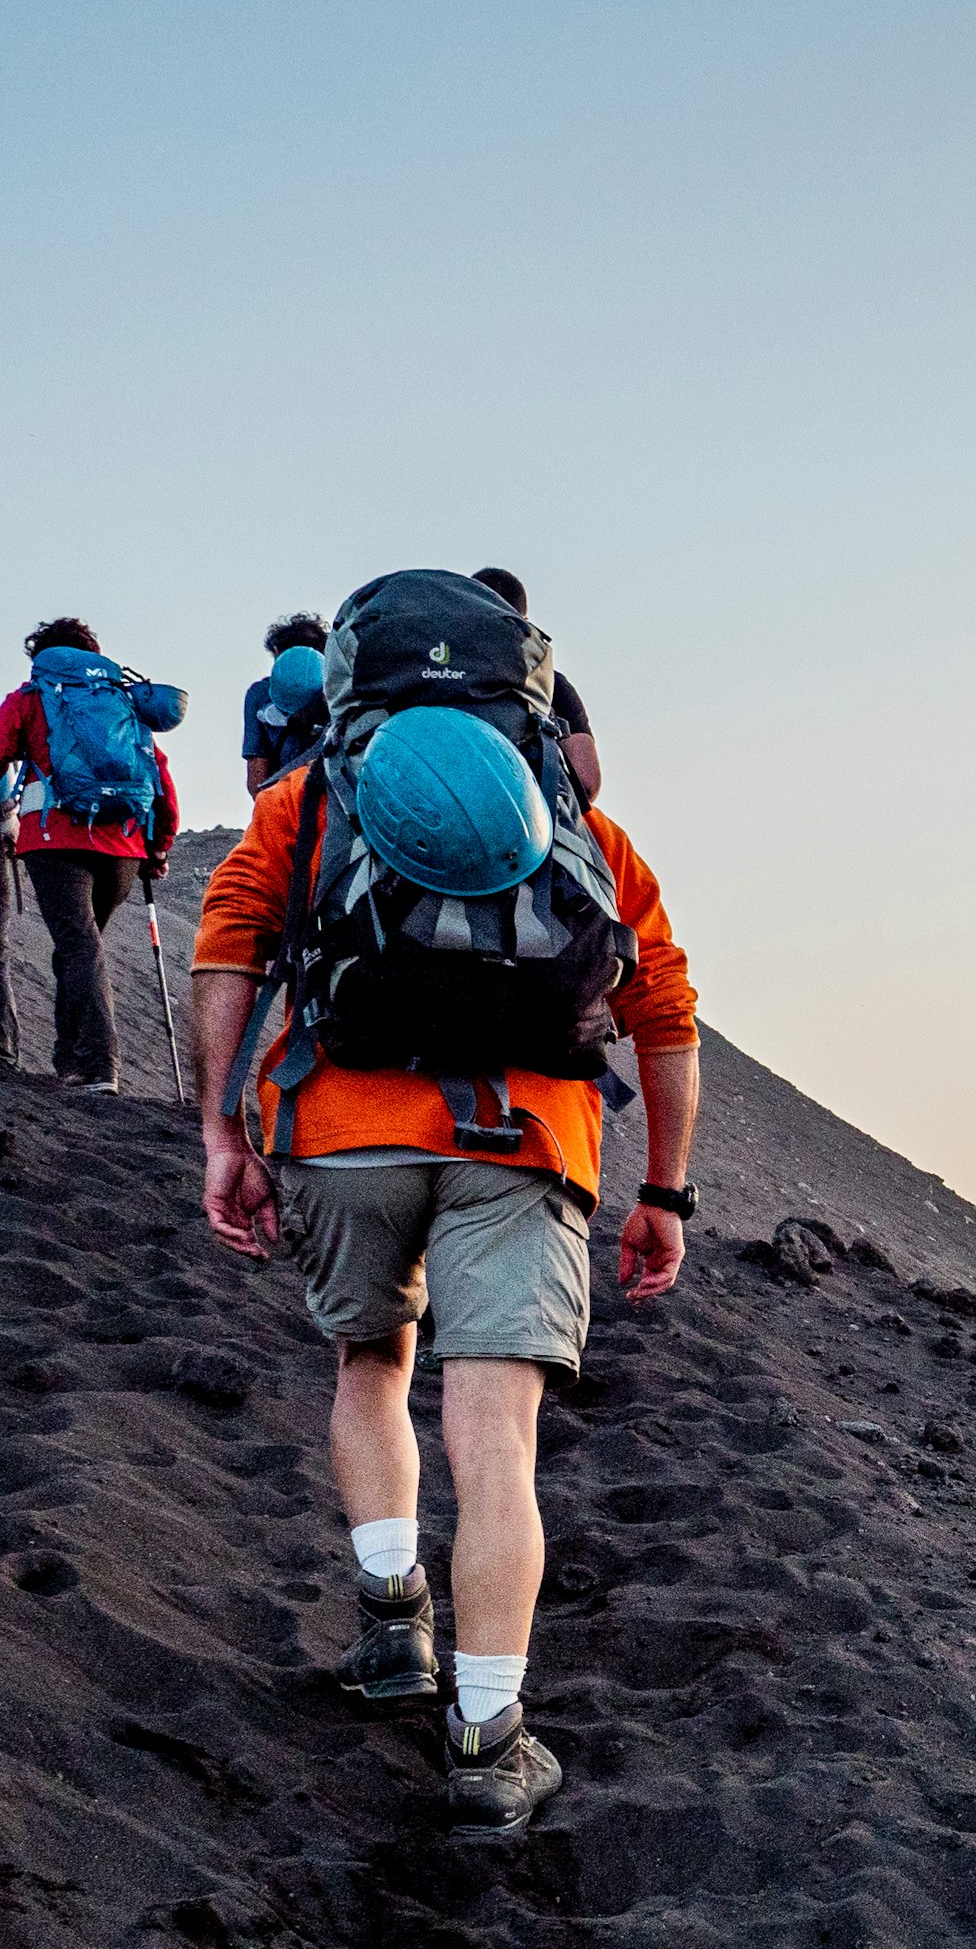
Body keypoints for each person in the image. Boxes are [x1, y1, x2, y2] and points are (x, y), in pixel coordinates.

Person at [189, 568, 700, 1833]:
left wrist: (221, 1133)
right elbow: (666, 1013)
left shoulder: (311, 799)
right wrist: (667, 1192)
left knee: (371, 1361)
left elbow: (230, 951)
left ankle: (392, 1625)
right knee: (499, 1444)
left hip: (342, 1129)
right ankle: (489, 1738)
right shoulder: (576, 824)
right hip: (529, 1146)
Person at [0, 617, 184, 1090]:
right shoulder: (123, 701)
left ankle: (97, 1066)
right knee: (80, 947)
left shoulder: (31, 698)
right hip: (123, 847)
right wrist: (158, 847)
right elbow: (159, 778)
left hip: (56, 840)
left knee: (78, 947)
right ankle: (69, 1059)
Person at [472, 569, 600, 798]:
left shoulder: (425, 671)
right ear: (524, 624)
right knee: (610, 834)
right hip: (526, 814)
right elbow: (586, 782)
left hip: (423, 809)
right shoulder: (551, 684)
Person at [243, 613, 330, 795]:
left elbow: (256, 780)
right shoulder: (342, 689)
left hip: (284, 801)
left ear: (276, 652)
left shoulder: (260, 694)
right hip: (335, 802)